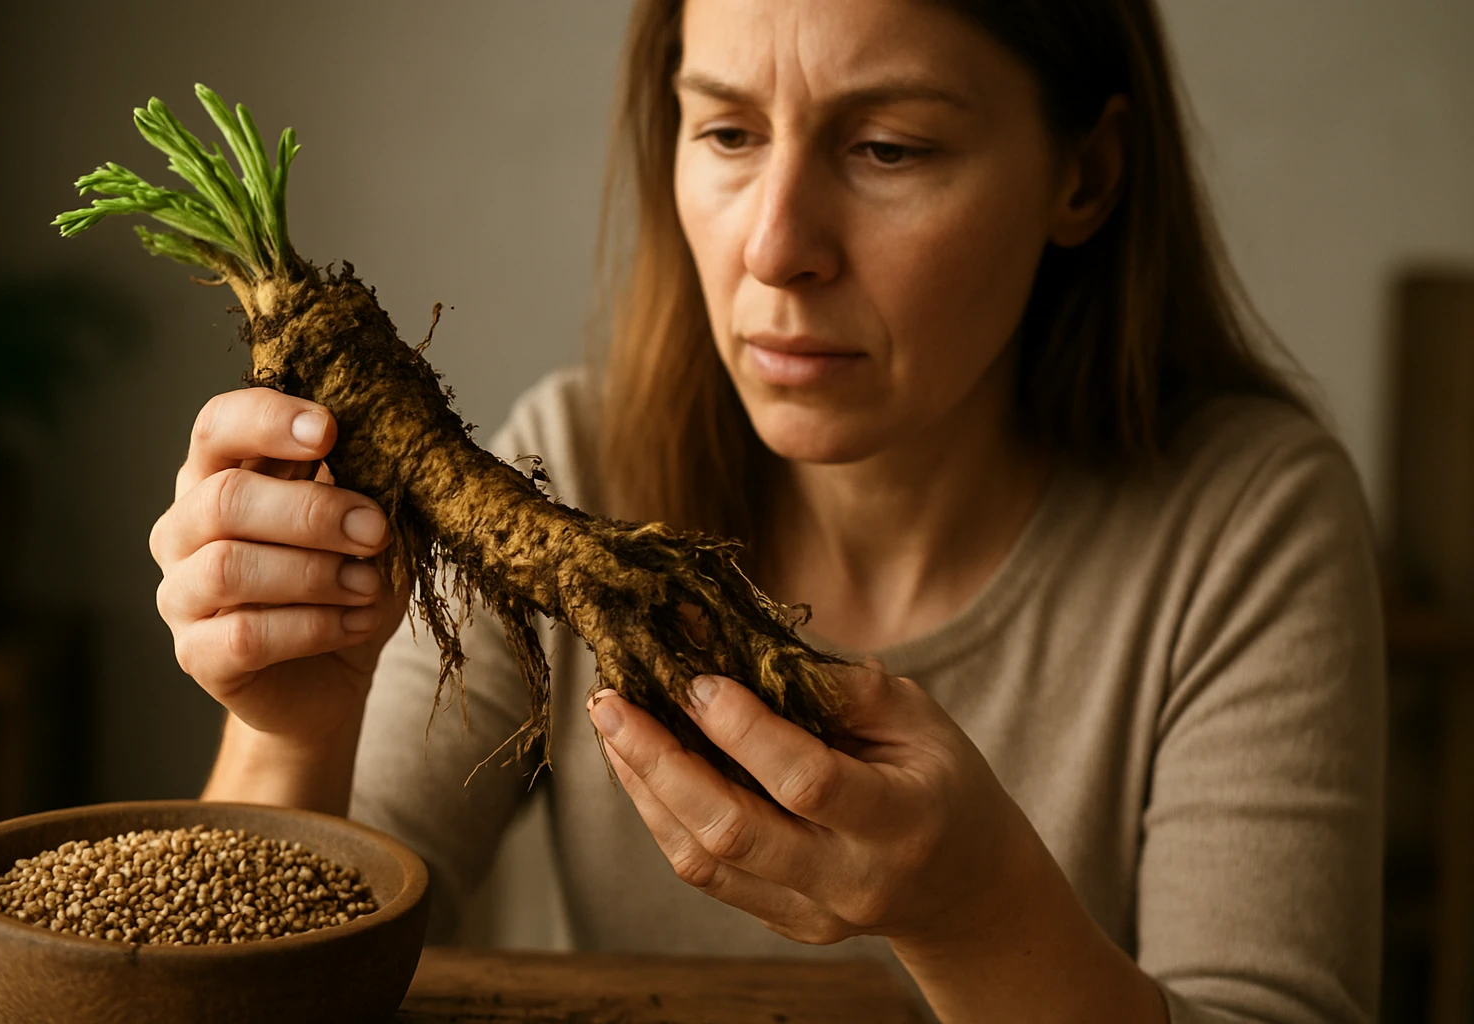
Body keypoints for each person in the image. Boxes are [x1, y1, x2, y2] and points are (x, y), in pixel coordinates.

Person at [147, 1, 1384, 1021]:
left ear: (1086, 175)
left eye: (888, 147)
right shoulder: (567, 457)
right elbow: (273, 978)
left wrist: (978, 914)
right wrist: (290, 729)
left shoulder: (1249, 526)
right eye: (729, 135)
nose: (777, 245)